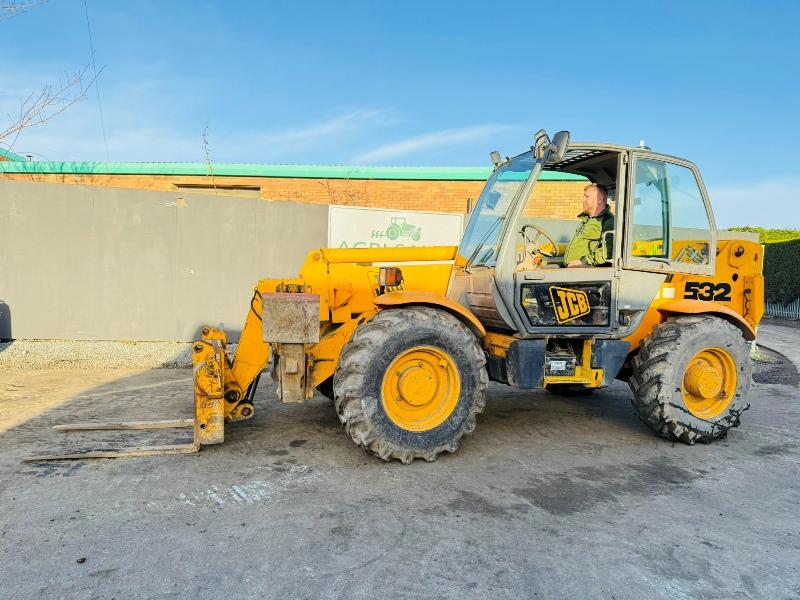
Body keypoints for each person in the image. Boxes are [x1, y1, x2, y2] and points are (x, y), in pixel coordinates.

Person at [564, 183, 615, 267]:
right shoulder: (587, 219)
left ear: (599, 199)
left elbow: (609, 250)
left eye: (587, 197)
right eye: (584, 196)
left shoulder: (608, 220)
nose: (583, 200)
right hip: (572, 268)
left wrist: (584, 261)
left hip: (587, 271)